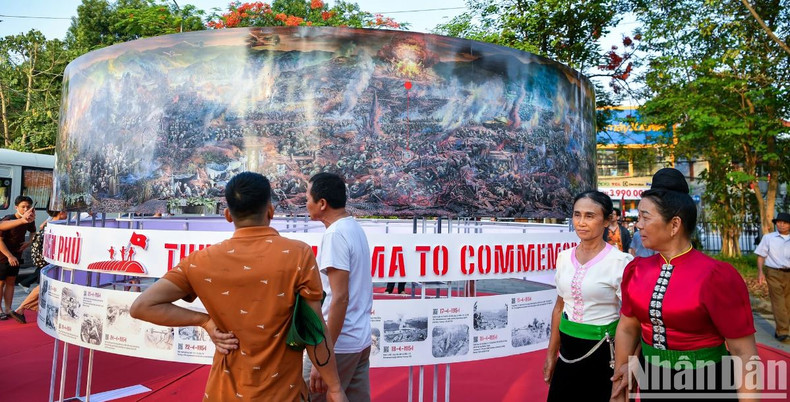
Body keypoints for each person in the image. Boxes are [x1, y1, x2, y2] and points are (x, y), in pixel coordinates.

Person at [130, 172, 347, 401]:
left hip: (222, 393)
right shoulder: (298, 255)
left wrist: (204, 321)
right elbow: (315, 329)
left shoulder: (199, 262)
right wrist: (334, 387)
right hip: (284, 394)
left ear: (227, 215)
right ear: (270, 211)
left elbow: (142, 306)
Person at [611, 168, 758, 401]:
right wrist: (620, 379)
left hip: (707, 382)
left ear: (675, 224)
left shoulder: (716, 276)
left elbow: (744, 351)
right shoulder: (635, 269)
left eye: (645, 217)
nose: (637, 225)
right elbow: (628, 327)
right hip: (652, 378)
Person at [543, 190, 634, 401]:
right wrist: (551, 354)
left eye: (590, 216)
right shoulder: (564, 257)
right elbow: (559, 307)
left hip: (604, 352)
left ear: (607, 220)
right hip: (567, 352)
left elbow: (632, 321)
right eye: (577, 215)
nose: (581, 222)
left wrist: (628, 362)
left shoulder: (621, 262)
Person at [304, 172, 373, 402]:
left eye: (308, 198)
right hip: (358, 341)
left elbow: (340, 297)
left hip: (339, 345)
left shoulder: (335, 234)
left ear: (322, 203)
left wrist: (324, 355)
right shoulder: (353, 228)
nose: (306, 204)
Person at [755, 212, 790, 343]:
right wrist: (760, 272)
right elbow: (761, 256)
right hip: (773, 272)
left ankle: (782, 329)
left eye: (785, 222)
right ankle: (783, 332)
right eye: (779, 222)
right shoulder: (769, 238)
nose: (781, 225)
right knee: (778, 302)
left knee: (788, 303)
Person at [0, 196, 36, 321]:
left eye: (28, 207)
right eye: (23, 206)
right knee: (0, 282)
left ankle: (8, 309)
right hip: (2, 255)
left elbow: (33, 231)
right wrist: (9, 256)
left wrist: (29, 242)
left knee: (11, 281)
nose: (26, 209)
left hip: (16, 254)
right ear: (16, 207)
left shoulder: (30, 220)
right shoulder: (9, 219)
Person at [18, 210, 67, 292]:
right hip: (46, 255)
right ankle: (31, 287)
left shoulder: (50, 222)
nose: (67, 214)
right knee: (43, 273)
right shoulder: (56, 225)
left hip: (43, 254)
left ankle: (28, 284)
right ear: (61, 212)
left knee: (42, 272)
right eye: (66, 212)